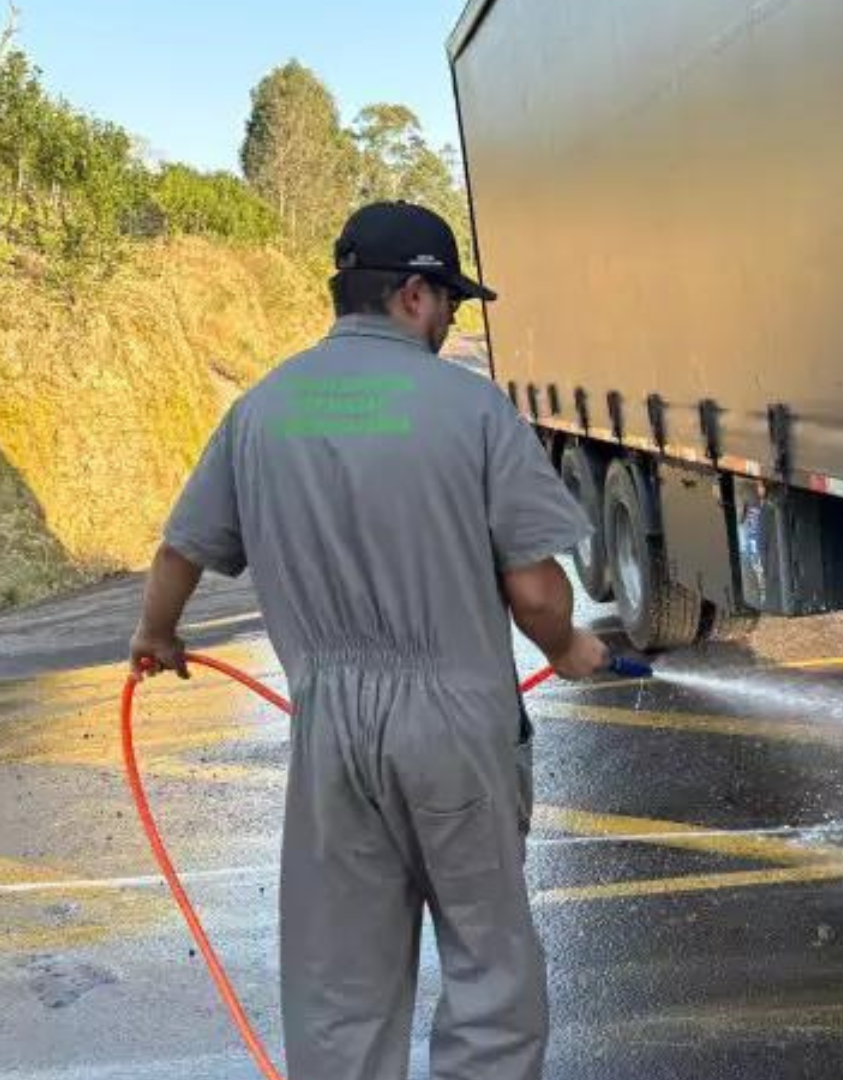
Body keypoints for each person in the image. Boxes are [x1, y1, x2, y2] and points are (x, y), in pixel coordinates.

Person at [129, 200, 609, 1080]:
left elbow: (179, 551)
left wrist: (158, 636)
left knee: (341, 975)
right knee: (488, 959)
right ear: (416, 295)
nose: (452, 321)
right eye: (452, 305)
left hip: (329, 731)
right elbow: (536, 588)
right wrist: (568, 649)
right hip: (458, 726)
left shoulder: (262, 410)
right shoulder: (468, 408)